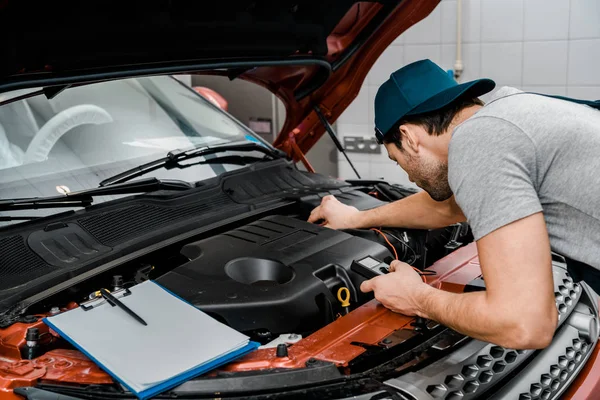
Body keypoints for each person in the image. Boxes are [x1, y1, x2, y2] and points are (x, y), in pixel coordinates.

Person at [308, 59, 600, 350]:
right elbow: (449, 208)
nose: (409, 176)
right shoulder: (509, 113)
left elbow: (524, 324)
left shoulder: (479, 142)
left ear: (409, 138)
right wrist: (355, 219)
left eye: (397, 160)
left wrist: (417, 297)